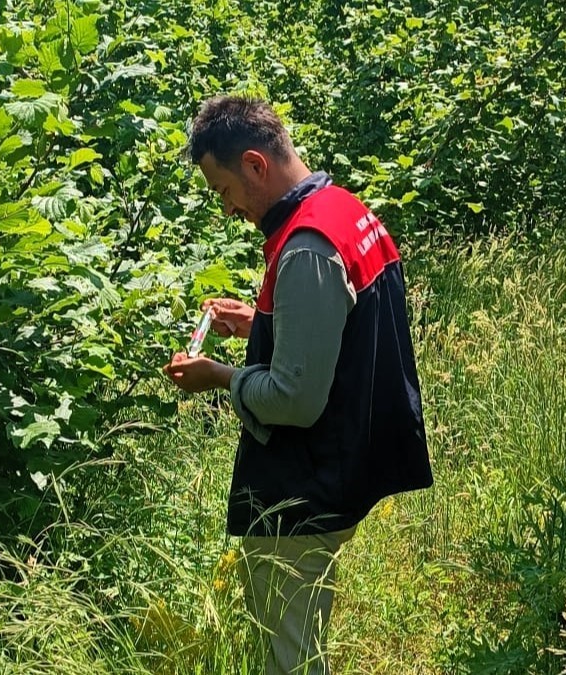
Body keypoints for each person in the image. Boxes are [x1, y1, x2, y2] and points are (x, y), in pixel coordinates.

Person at [163, 96, 433, 675]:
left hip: (303, 490)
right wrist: (261, 321)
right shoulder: (341, 209)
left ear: (256, 165)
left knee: (291, 656)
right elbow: (341, 327)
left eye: (225, 190)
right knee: (303, 637)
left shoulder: (307, 247)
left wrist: (218, 378)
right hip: (344, 467)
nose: (228, 207)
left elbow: (294, 398)